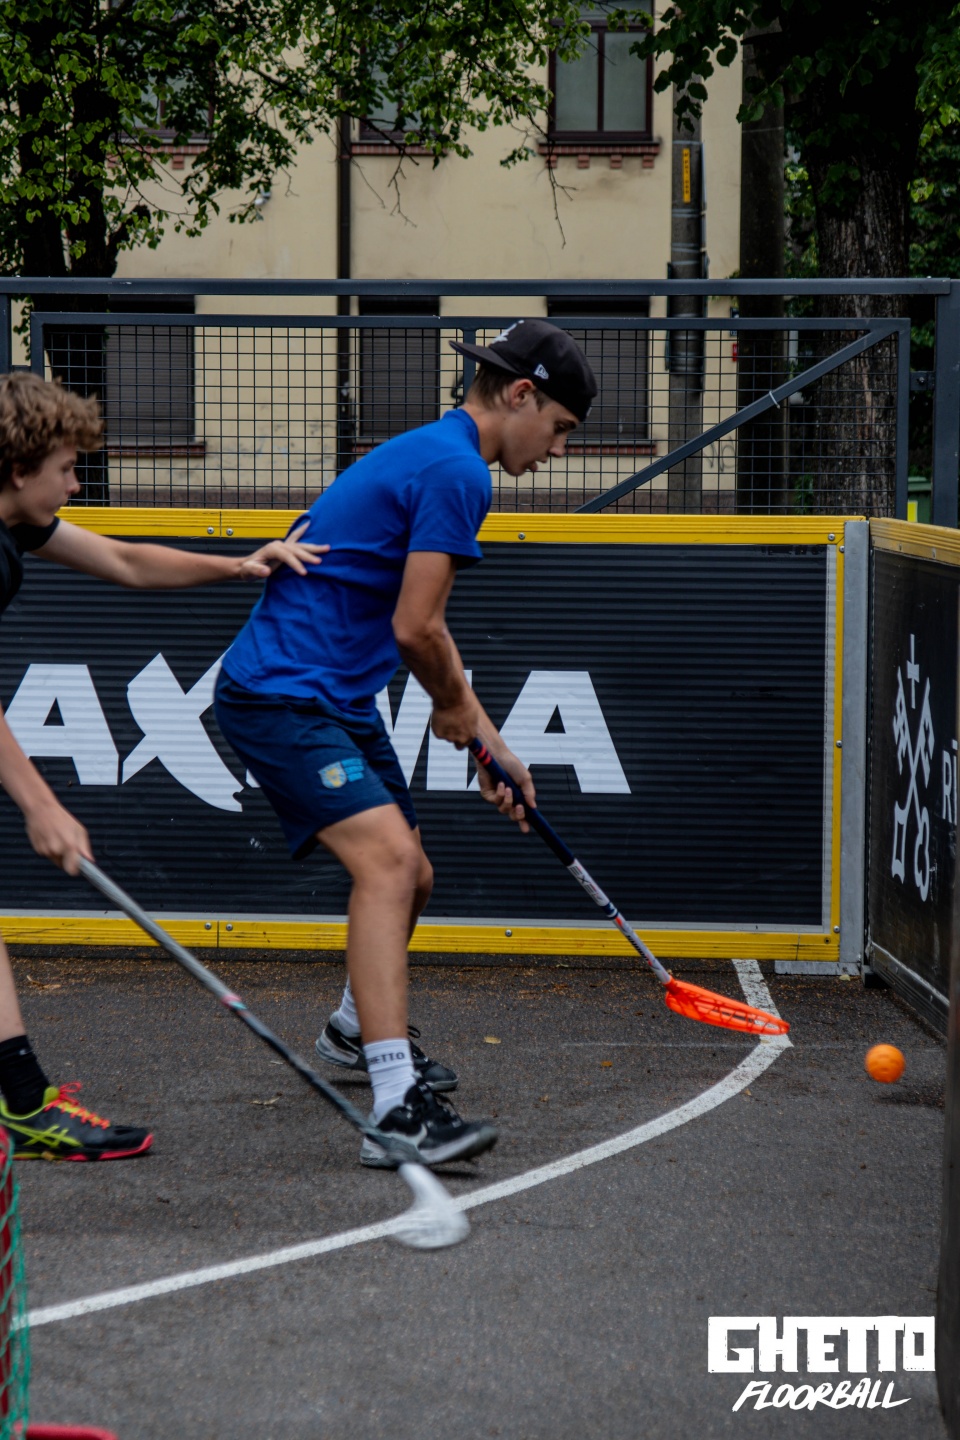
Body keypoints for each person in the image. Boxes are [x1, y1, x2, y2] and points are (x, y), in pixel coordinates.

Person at [214, 319, 597, 1168]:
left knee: (412, 872)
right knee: (387, 865)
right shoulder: (460, 472)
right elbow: (416, 629)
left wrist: (490, 742)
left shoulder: (439, 453)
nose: (559, 450)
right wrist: (455, 711)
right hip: (280, 695)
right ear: (522, 395)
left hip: (337, 696)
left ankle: (355, 1030)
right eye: (561, 428)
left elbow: (429, 631)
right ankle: (397, 1111)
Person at [0, 371, 326, 1160]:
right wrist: (40, 803)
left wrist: (240, 567)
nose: (76, 485)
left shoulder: (16, 523)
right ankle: (23, 1102)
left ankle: (21, 1101)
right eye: (67, 469)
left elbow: (125, 562)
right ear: (17, 469)